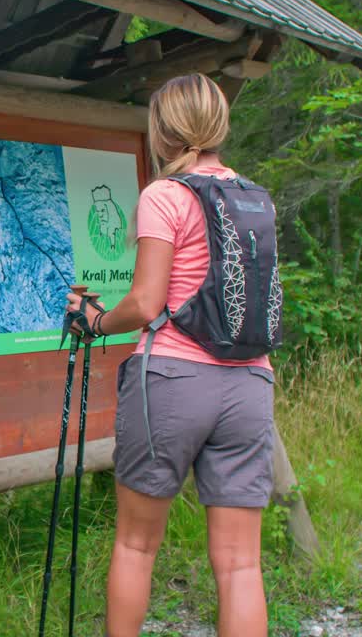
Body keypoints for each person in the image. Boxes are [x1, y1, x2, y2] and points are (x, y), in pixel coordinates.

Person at [67, 73, 275, 637]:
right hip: (250, 382)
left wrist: (97, 322)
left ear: (163, 131)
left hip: (174, 377)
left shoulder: (165, 193)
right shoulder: (254, 195)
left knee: (136, 546)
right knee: (240, 564)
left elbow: (146, 300)